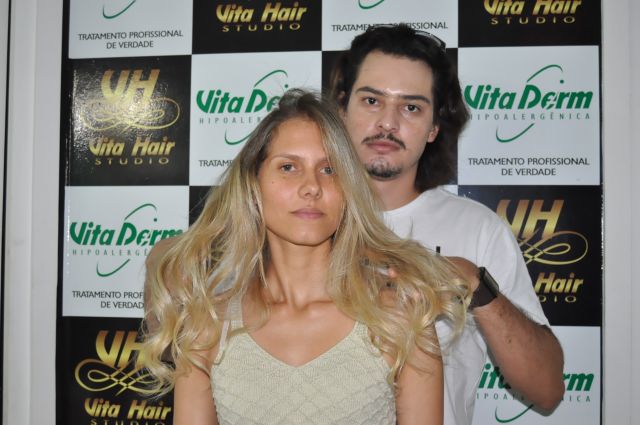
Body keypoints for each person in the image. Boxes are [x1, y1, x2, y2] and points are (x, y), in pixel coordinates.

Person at [141, 89, 472, 425]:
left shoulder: (400, 318)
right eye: (288, 167)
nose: (312, 186)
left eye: (329, 170)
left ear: (348, 189)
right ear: (254, 185)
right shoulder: (208, 324)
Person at [329, 24, 565, 425]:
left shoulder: (477, 228)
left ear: (434, 128)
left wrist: (475, 284)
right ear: (341, 109)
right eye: (371, 100)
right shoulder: (298, 221)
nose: (387, 123)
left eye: (411, 107)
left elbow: (547, 389)